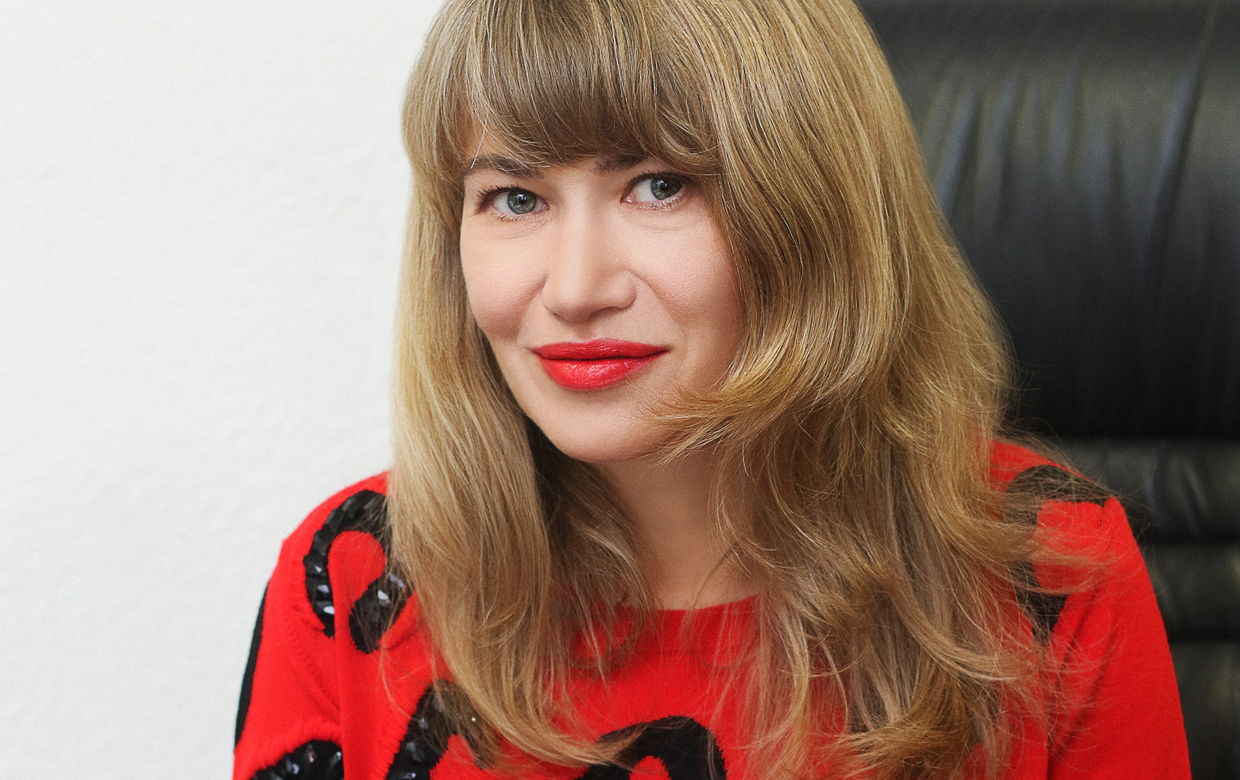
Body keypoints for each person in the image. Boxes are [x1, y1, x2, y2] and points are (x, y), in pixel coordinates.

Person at [232, 0, 1191, 778]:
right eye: (515, 198)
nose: (575, 288)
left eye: (659, 185)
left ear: (810, 214)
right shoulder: (353, 581)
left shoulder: (1049, 571)